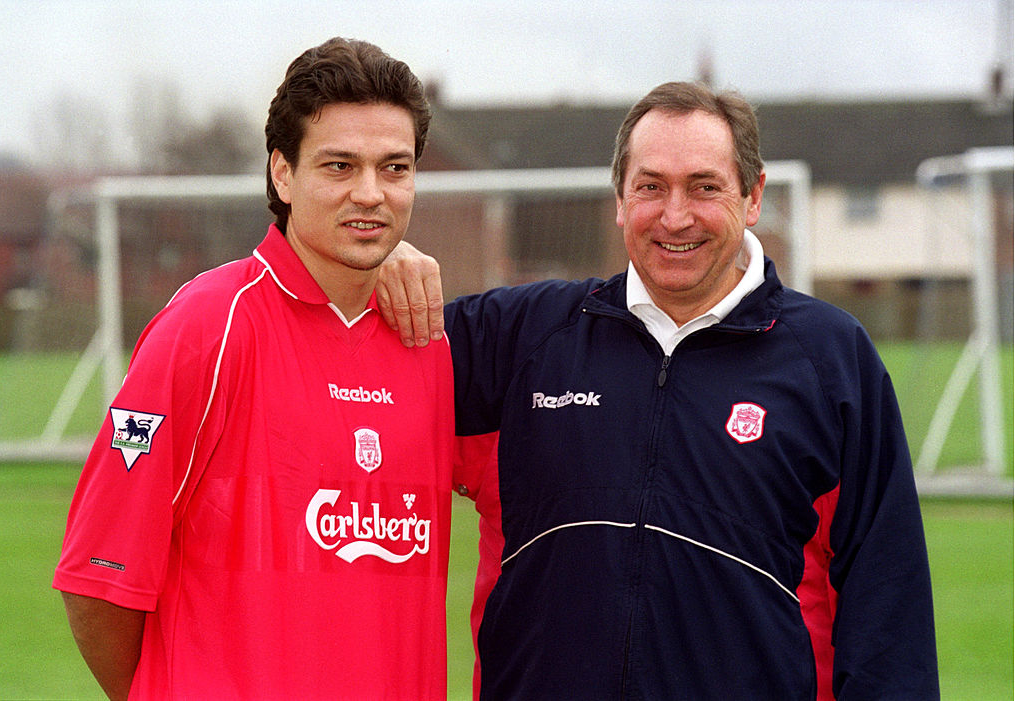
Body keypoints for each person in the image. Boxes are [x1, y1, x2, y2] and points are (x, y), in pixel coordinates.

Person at [379, 82, 939, 699]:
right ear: (620, 198)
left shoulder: (831, 359)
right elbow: (330, 364)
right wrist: (373, 261)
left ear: (752, 196)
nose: (676, 216)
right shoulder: (519, 340)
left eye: (704, 186)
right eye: (651, 187)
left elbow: (889, 606)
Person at [53, 37, 457, 700]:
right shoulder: (203, 329)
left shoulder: (431, 340)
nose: (370, 192)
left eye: (395, 167)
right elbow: (99, 577)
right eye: (339, 165)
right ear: (282, 173)